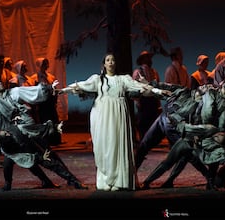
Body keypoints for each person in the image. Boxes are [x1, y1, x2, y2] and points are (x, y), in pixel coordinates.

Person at [60, 52, 169, 191]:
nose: (111, 62)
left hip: (119, 115)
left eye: (113, 60)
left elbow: (140, 87)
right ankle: (106, 179)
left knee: (118, 145)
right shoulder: (98, 80)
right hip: (102, 116)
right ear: (104, 64)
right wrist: (61, 90)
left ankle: (120, 181)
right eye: (108, 60)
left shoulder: (123, 79)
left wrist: (158, 91)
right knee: (105, 146)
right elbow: (81, 86)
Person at [132, 51, 162, 141]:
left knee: (153, 121)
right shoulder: (137, 72)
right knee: (143, 122)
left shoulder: (154, 72)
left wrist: (158, 102)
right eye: (147, 58)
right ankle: (143, 140)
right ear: (142, 60)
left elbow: (158, 87)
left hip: (153, 100)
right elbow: (134, 88)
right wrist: (137, 101)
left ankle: (152, 141)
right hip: (143, 100)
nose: (149, 60)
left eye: (149, 58)